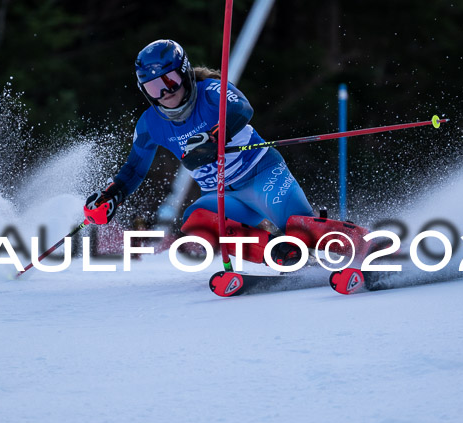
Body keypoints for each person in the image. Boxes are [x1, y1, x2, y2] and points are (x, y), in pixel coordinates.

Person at [84, 39, 369, 267]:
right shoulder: (150, 124)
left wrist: (214, 137)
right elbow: (134, 169)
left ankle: (370, 247)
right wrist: (111, 197)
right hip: (222, 195)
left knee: (299, 228)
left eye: (169, 81)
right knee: (197, 224)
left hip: (261, 173)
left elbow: (241, 109)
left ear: (183, 72)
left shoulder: (210, 91)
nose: (165, 92)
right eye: (154, 87)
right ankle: (281, 254)